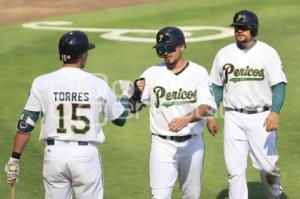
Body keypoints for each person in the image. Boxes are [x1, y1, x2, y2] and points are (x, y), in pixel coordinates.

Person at [4, 30, 133, 199]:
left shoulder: (41, 82)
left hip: (54, 156)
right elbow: (120, 118)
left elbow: (26, 124)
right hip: (85, 157)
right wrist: (126, 95)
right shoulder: (97, 83)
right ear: (82, 55)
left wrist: (15, 158)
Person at [208, 10, 287, 199]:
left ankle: (275, 196)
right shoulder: (224, 54)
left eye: (243, 28)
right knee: (234, 169)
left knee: (268, 168)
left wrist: (275, 112)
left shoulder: (268, 53)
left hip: (262, 117)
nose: (239, 31)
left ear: (253, 29)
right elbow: (217, 88)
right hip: (233, 116)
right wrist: (211, 114)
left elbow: (279, 85)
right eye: (236, 28)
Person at [129, 27, 216, 199]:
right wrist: (136, 95)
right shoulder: (152, 73)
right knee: (159, 196)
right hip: (162, 144)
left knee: (191, 195)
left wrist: (187, 119)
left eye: (170, 48)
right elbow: (133, 109)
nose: (165, 53)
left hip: (192, 144)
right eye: (161, 49)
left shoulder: (198, 72)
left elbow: (206, 107)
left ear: (183, 46)